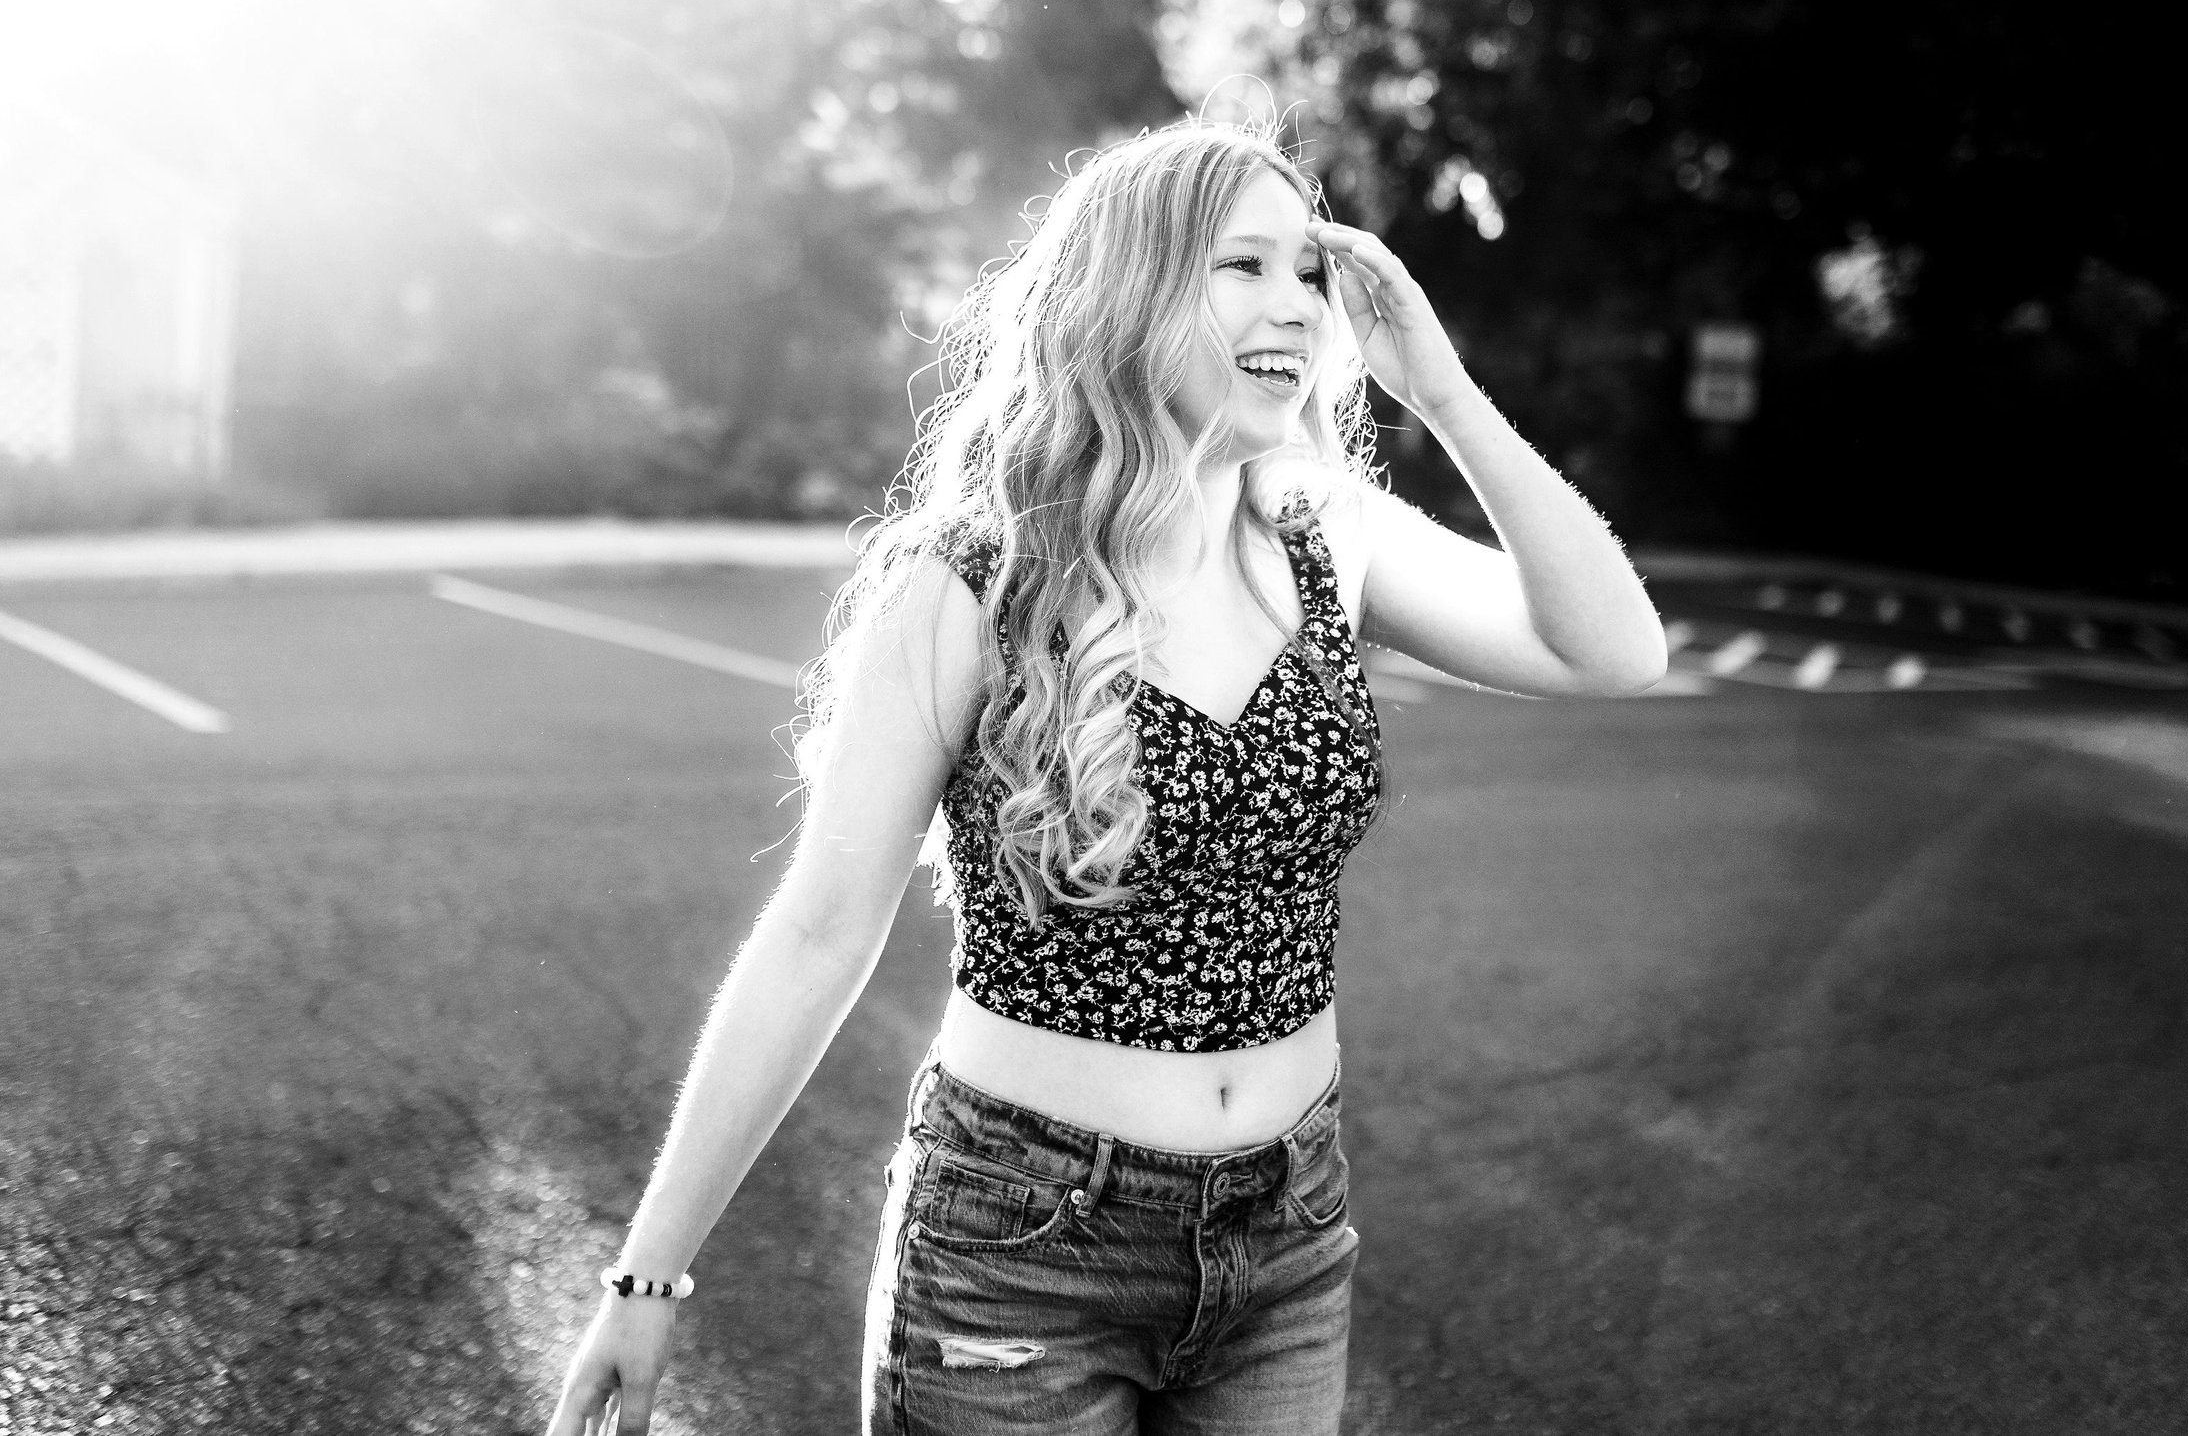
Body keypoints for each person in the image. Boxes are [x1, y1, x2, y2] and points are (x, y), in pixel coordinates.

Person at [544, 119, 1670, 1436]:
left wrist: (1447, 396)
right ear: (1131, 295)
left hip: (1287, 1236)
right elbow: (815, 933)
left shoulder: (1330, 532)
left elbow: (1615, 650)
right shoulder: (970, 580)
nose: (1294, 307)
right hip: (1021, 1248)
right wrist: (647, 1272)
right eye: (1239, 266)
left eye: (1310, 273)